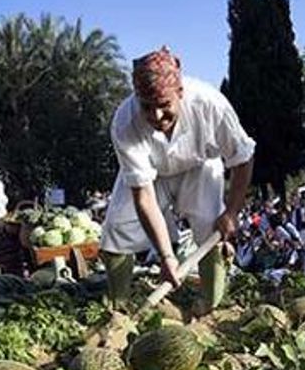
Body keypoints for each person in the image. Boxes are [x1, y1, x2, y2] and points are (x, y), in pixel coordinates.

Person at [98, 47, 255, 314]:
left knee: (209, 224)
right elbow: (143, 197)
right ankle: (120, 308)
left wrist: (231, 212)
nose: (156, 116)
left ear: (180, 92)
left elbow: (243, 158)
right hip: (152, 173)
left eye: (164, 105)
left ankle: (210, 304)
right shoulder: (125, 122)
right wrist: (166, 257)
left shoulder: (211, 105)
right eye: (147, 107)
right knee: (116, 227)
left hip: (200, 165)